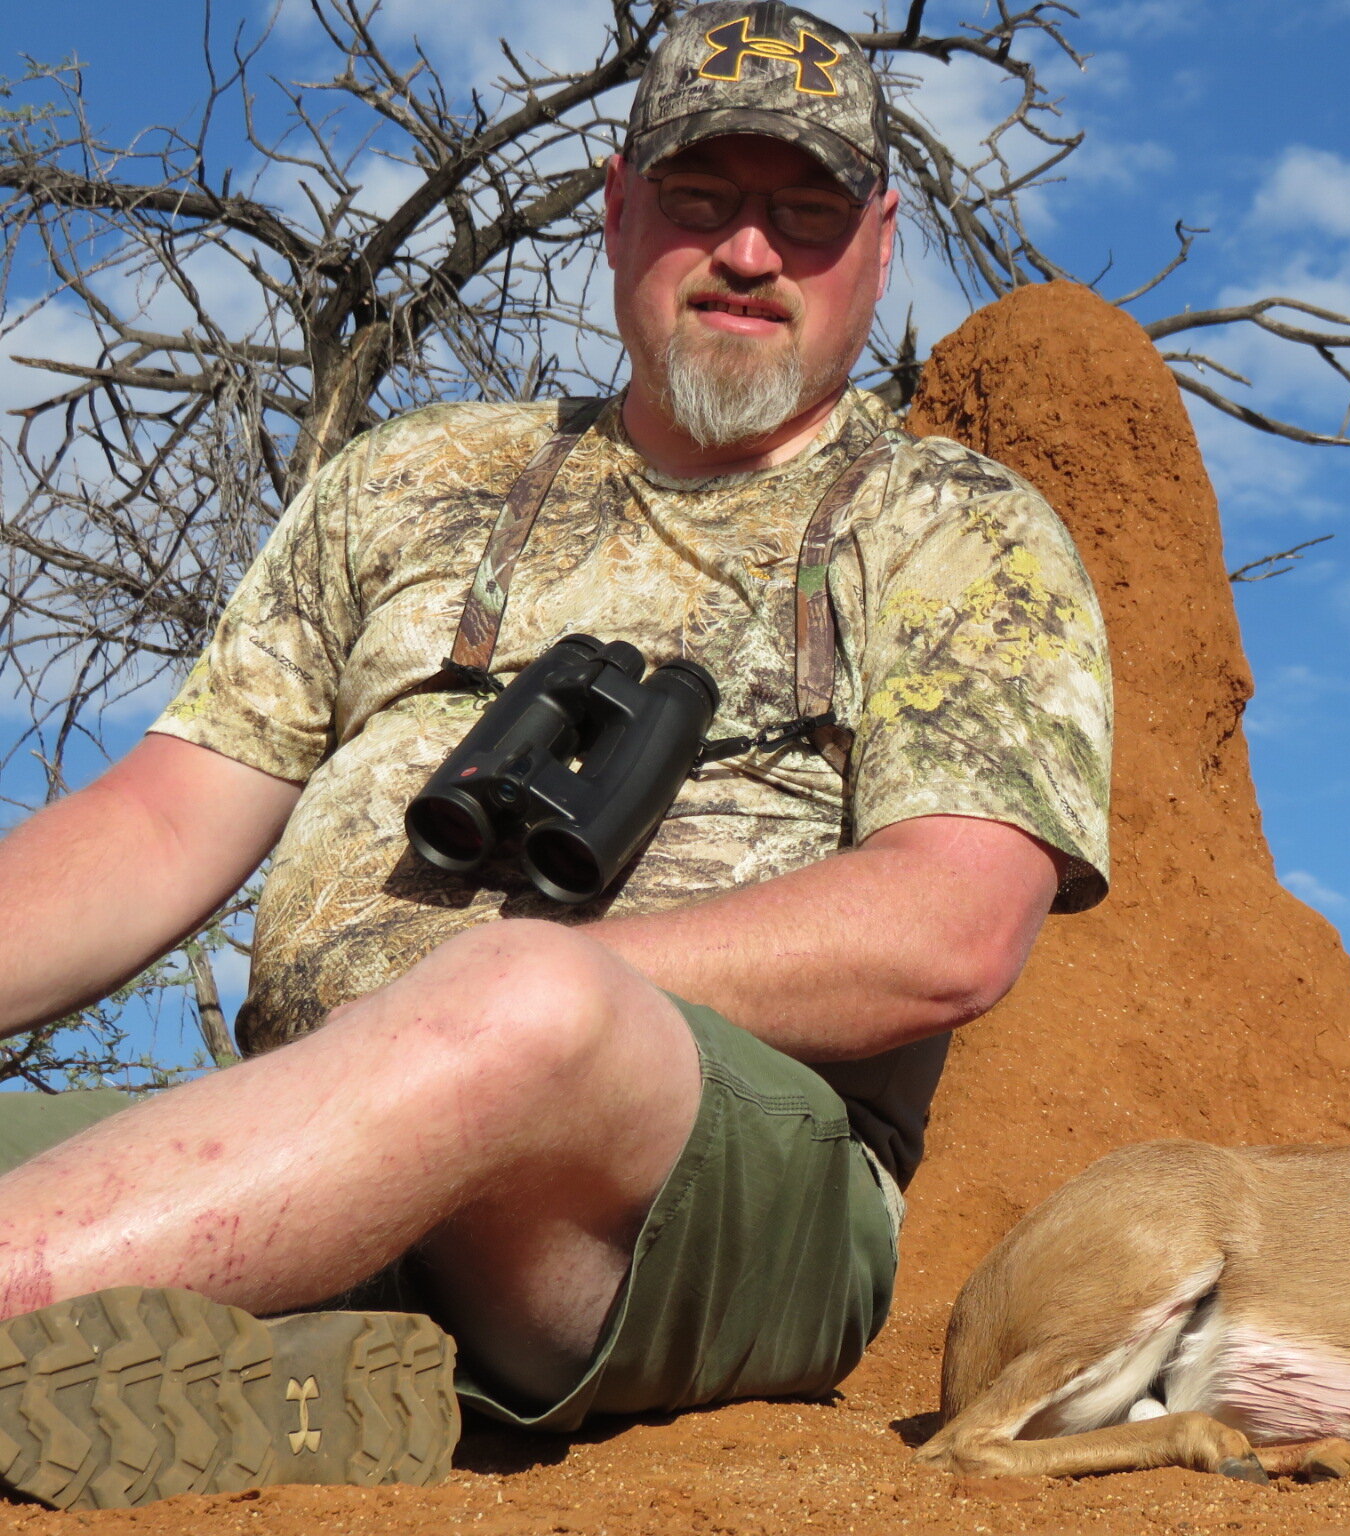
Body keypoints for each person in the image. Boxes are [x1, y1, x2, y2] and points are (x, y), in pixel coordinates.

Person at [0, 1, 1110, 1510]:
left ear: (882, 241)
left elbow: (951, 929)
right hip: (317, 1119)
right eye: (702, 200)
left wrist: (492, 1002)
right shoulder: (409, 477)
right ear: (614, 206)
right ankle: (301, 1367)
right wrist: (387, 1064)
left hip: (699, 1185)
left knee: (523, 995)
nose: (749, 254)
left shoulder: (956, 527)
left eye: (805, 213)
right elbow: (156, 825)